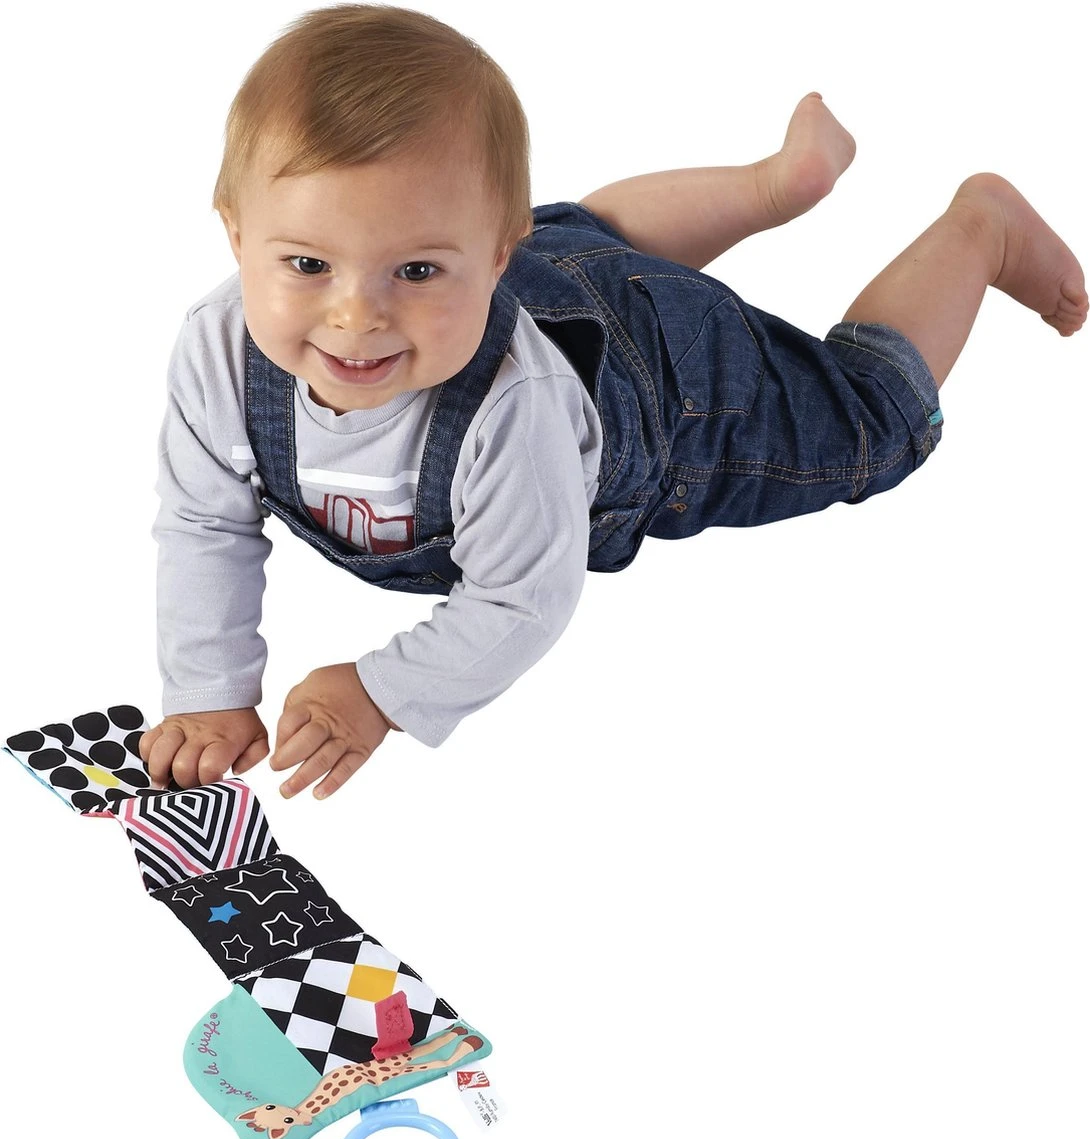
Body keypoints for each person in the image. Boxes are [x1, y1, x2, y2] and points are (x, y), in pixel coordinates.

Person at [139, 4, 1086, 801]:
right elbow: (202, 522)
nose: (357, 316)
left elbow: (522, 598)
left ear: (494, 255)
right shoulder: (219, 351)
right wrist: (208, 688)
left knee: (866, 426)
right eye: (309, 264)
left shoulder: (514, 410)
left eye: (415, 270)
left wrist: (384, 690)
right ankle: (772, 186)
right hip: (558, 276)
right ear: (237, 236)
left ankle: (979, 230)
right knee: (588, 238)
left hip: (673, 385)